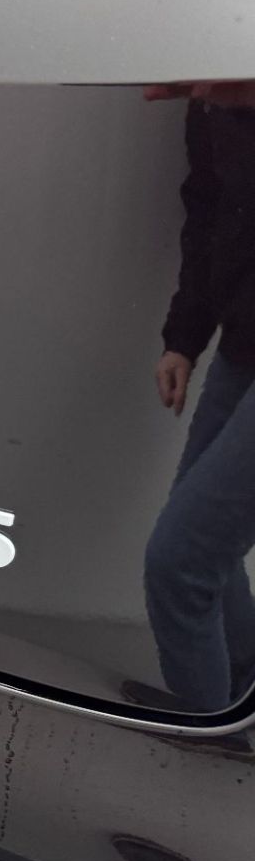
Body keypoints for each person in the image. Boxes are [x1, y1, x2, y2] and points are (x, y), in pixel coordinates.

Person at [143, 83, 255, 713]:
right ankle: (236, 705)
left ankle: (205, 753)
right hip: (245, 345)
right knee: (206, 551)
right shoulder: (209, 97)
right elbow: (209, 210)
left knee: (180, 564)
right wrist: (183, 339)